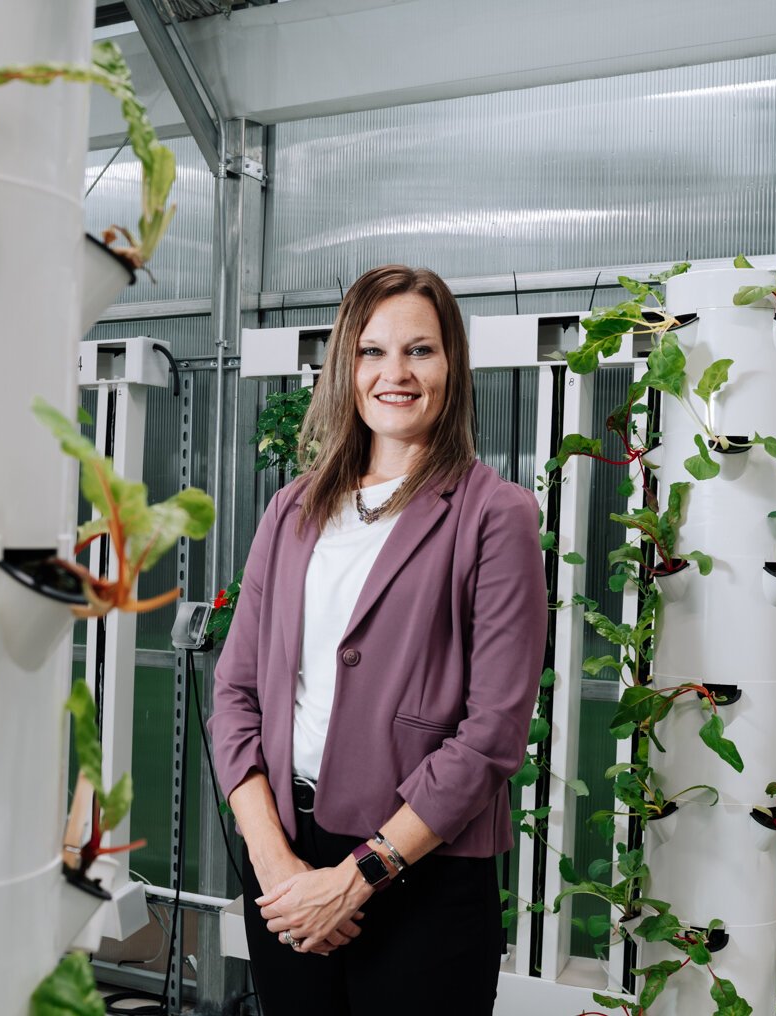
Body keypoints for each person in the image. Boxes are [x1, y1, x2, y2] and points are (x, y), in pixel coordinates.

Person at [209, 264, 548, 1015]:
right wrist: (277, 867)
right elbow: (234, 696)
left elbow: (491, 733)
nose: (395, 373)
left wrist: (355, 878)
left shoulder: (496, 516)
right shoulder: (292, 510)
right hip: (289, 862)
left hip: (421, 871)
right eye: (373, 351)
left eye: (420, 351)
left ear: (452, 366)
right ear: (346, 366)